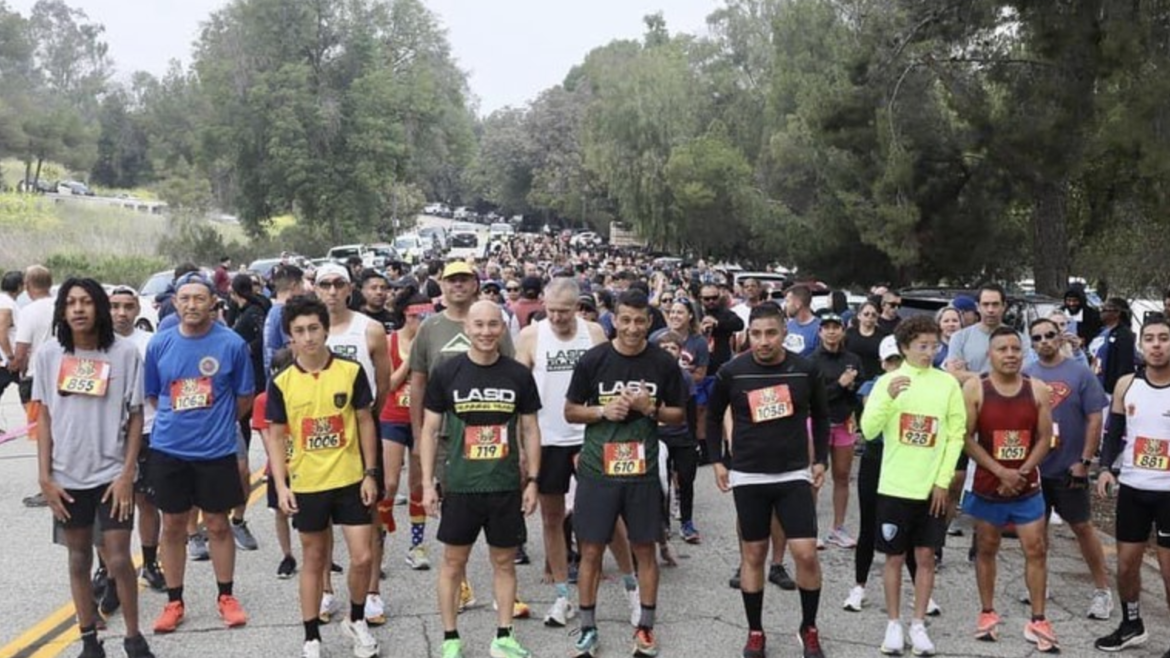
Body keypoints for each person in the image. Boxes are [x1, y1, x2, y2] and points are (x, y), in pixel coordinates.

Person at [563, 289, 688, 658]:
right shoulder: (594, 360)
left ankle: (645, 628)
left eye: (640, 321)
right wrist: (603, 411)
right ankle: (587, 629)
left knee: (644, 548)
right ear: (614, 320)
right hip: (597, 470)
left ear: (650, 322)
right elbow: (570, 411)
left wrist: (651, 409)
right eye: (625, 320)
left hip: (642, 471)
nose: (632, 328)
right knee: (590, 551)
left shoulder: (663, 364)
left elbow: (679, 415)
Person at [35, 279, 155, 658]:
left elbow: (136, 417)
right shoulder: (50, 353)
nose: (78, 309)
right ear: (62, 310)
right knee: (79, 558)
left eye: (86, 302)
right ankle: (89, 639)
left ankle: (134, 638)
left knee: (119, 558)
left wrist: (126, 473)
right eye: (70, 303)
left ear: (99, 307)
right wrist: (45, 477)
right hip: (66, 477)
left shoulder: (123, 354)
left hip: (111, 476)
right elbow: (45, 418)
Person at [419, 300, 542, 658]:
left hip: (504, 486)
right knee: (453, 564)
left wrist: (532, 480)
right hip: (461, 485)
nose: (486, 332)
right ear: (467, 329)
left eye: (493, 325)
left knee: (503, 563)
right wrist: (427, 483)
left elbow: (531, 429)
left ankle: (503, 636)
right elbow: (429, 429)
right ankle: (450, 639)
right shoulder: (447, 371)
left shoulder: (517, 374)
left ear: (502, 329)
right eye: (479, 325)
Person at [706, 302, 829, 658]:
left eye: (771, 333)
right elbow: (712, 419)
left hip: (793, 473)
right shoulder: (732, 371)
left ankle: (809, 627)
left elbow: (821, 417)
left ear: (784, 334)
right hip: (748, 474)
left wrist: (819, 459)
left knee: (805, 554)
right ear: (749, 335)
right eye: (757, 334)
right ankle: (755, 631)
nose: (763, 341)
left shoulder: (805, 370)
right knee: (754, 553)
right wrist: (717, 461)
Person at [265, 295, 381, 658]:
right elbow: (276, 435)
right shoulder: (282, 382)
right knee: (314, 559)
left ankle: (357, 619)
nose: (308, 336)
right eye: (299, 331)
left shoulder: (350, 371)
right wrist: (281, 485)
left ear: (326, 330)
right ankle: (311, 635)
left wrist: (370, 473)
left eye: (314, 328)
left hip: (349, 479)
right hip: (308, 483)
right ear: (290, 337)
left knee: (362, 556)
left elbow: (364, 421)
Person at [144, 271, 254, 634]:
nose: (192, 305)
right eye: (185, 298)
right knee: (173, 525)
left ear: (212, 303)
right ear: (175, 303)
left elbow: (244, 397)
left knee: (219, 524)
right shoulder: (160, 344)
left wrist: (217, 425)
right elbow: (154, 395)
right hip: (168, 450)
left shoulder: (232, 344)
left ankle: (226, 596)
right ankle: (174, 601)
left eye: (199, 298)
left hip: (215, 452)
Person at [409, 261, 518, 616]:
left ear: (475, 284)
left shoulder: (493, 322)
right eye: (451, 279)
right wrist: (417, 434)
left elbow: (512, 379)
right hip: (444, 436)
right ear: (441, 284)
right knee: (454, 510)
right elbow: (419, 382)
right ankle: (464, 582)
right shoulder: (431, 327)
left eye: (465, 279)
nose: (458, 285)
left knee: (497, 522)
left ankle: (505, 594)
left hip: (493, 435)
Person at [859, 316, 966, 655]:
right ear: (904, 347)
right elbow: (870, 430)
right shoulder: (888, 381)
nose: (929, 352)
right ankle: (893, 624)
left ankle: (918, 624)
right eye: (922, 346)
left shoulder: (946, 384)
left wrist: (942, 482)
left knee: (926, 557)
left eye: (934, 346)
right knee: (893, 557)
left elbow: (955, 435)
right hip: (894, 487)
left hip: (931, 489)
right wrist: (887, 398)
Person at [514, 278, 617, 628]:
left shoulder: (594, 334)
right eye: (551, 310)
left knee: (607, 510)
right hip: (548, 437)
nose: (557, 318)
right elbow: (520, 395)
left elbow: (610, 383)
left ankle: (626, 582)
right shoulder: (531, 335)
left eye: (564, 311)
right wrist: (521, 448)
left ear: (578, 308)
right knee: (551, 516)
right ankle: (561, 595)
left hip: (591, 433)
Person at [961, 327, 1058, 652]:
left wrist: (1022, 471)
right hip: (989, 484)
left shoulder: (1038, 390)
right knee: (987, 547)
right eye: (1002, 349)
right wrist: (1001, 471)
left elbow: (1045, 438)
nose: (1010, 354)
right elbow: (965, 437)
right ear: (991, 354)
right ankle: (987, 613)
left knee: (1036, 548)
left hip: (1027, 485)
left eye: (1016, 348)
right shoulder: (975, 388)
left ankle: (1039, 618)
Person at [314, 263, 391, 625]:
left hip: (360, 428)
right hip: (319, 431)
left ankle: (372, 591)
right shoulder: (308, 329)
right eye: (324, 284)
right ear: (315, 290)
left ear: (350, 288)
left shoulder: (370, 329)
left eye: (338, 284)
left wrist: (368, 418)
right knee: (322, 515)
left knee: (369, 508)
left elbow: (384, 382)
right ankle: (326, 590)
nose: (331, 291)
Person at [1022, 317, 1113, 620]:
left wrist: (1085, 461)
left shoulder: (1080, 373)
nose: (1044, 341)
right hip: (1036, 468)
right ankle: (1039, 583)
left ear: (1060, 337)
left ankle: (1103, 591)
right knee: (1036, 530)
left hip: (1070, 468)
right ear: (1032, 342)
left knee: (1083, 528)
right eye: (1037, 337)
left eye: (1050, 335)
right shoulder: (1027, 374)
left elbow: (1095, 419)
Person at [1093, 318, 1170, 654]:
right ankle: (1131, 624)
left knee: (1168, 570)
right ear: (1141, 344)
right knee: (1126, 565)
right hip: (1134, 488)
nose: (1157, 345)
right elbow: (1113, 433)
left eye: (1164, 339)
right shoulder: (1127, 384)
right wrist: (1107, 468)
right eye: (1150, 339)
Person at [108, 287, 166, 592]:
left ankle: (150, 562)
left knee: (146, 501)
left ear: (137, 310)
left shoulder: (150, 343)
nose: (121, 313)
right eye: (115, 307)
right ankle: (106, 568)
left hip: (147, 431)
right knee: (106, 504)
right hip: (107, 435)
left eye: (128, 307)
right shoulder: (97, 345)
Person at [381, 295, 433, 573]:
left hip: (422, 419)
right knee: (388, 483)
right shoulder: (390, 341)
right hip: (392, 416)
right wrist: (411, 358)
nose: (420, 322)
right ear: (404, 315)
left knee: (417, 484)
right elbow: (389, 383)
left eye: (425, 317)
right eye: (415, 317)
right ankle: (381, 538)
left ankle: (416, 546)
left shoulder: (432, 341)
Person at [651, 299, 709, 544]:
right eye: (663, 347)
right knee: (660, 482)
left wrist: (695, 438)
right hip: (659, 437)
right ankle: (662, 523)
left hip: (683, 436)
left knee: (686, 479)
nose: (668, 351)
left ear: (680, 351)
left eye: (672, 348)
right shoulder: (649, 376)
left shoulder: (685, 377)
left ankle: (687, 521)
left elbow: (692, 407)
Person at [811, 312, 863, 549]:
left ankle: (838, 528)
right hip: (817, 423)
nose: (832, 332)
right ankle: (809, 528)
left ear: (843, 331)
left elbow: (859, 391)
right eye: (827, 327)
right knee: (814, 476)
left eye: (836, 327)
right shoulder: (811, 360)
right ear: (820, 331)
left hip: (844, 423)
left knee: (842, 476)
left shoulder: (852, 359)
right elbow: (813, 397)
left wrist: (850, 388)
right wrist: (839, 385)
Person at [227, 274, 267, 551]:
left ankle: (238, 520)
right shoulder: (240, 312)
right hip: (237, 391)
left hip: (250, 386)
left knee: (241, 462)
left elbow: (261, 343)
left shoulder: (253, 313)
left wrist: (242, 349)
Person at [14, 265, 56, 507]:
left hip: (37, 379)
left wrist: (17, 368)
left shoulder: (28, 311)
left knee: (43, 434)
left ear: (28, 286)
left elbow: (21, 350)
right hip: (62, 377)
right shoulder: (60, 306)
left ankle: (47, 483)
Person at [1089, 298, 1138, 394]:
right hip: (1095, 385)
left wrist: (1119, 390)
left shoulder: (1124, 335)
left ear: (1117, 312)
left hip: (1110, 391)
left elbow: (1125, 366)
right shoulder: (1101, 331)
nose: (1101, 311)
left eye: (1104, 309)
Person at [846, 300, 888, 380]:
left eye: (873, 315)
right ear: (859, 315)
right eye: (866, 314)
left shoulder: (884, 336)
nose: (870, 317)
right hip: (852, 378)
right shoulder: (849, 333)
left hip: (875, 379)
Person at [0, 270, 22, 420]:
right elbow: (2, 333)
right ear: (20, 286)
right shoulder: (6, 304)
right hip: (8, 360)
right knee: (31, 390)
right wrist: (10, 357)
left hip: (6, 359)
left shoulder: (5, 301)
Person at [784, 285, 821, 357]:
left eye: (787, 301)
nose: (786, 306)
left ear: (798, 304)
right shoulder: (787, 326)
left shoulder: (819, 329)